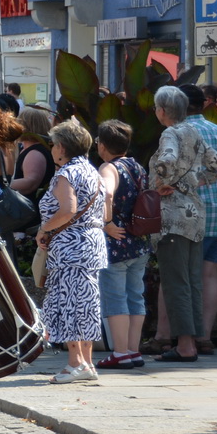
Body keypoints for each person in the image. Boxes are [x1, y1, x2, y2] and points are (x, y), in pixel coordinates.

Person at [147, 85, 217, 363]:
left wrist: (162, 183)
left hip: (172, 218)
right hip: (195, 216)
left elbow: (167, 160)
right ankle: (190, 341)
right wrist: (194, 181)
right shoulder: (193, 132)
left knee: (175, 282)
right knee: (192, 281)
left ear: (162, 110)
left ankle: (184, 346)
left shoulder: (170, 133)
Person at [34, 121, 106, 384]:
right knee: (85, 303)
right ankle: (86, 363)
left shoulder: (66, 174)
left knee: (70, 303)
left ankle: (76, 363)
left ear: (62, 147)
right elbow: (104, 213)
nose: (52, 149)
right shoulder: (93, 173)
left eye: (54, 144)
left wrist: (44, 229)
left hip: (70, 246)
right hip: (91, 243)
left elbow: (67, 210)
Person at [182, 84, 217, 352]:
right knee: (210, 277)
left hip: (190, 215)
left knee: (182, 276)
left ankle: (172, 337)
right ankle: (204, 337)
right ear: (204, 103)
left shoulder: (178, 133)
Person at [94, 120, 150, 370]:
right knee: (135, 296)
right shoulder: (136, 166)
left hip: (116, 242)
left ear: (103, 145)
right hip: (138, 241)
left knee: (116, 297)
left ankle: (119, 352)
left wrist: (106, 222)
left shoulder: (109, 168)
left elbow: (106, 194)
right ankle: (133, 350)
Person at [10, 107, 54, 200]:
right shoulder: (31, 149)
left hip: (29, 209)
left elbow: (31, 183)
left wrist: (2, 184)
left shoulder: (35, 153)